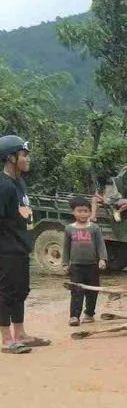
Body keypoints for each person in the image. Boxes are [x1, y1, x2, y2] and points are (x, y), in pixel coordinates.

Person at [1, 134, 49, 354]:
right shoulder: (4, 187)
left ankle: (20, 333)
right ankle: (6, 339)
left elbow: (23, 214)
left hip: (20, 246)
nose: (28, 159)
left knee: (21, 290)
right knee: (6, 292)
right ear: (10, 157)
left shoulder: (19, 182)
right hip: (6, 249)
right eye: (24, 155)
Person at [62, 196, 108, 326]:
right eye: (79, 211)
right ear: (73, 212)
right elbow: (66, 247)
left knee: (93, 290)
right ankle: (74, 316)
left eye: (85, 211)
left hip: (92, 266)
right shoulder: (69, 229)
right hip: (76, 266)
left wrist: (102, 259)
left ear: (90, 212)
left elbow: (100, 245)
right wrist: (65, 263)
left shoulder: (94, 228)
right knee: (76, 290)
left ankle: (89, 313)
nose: (82, 214)